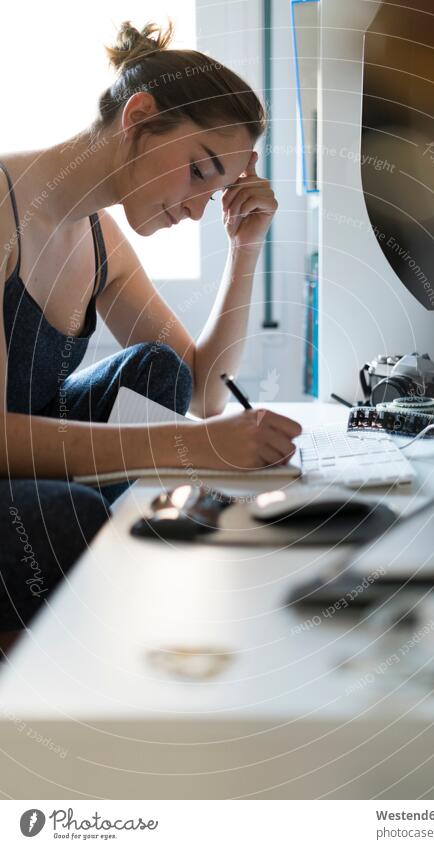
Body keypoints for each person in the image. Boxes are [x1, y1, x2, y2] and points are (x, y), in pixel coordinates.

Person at [0, 21, 301, 638]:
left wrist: (246, 248)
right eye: (198, 171)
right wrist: (196, 446)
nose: (197, 209)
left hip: (30, 468)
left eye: (215, 191)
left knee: (158, 372)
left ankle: (106, 565)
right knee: (70, 515)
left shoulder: (101, 240)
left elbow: (201, 392)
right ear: (138, 118)